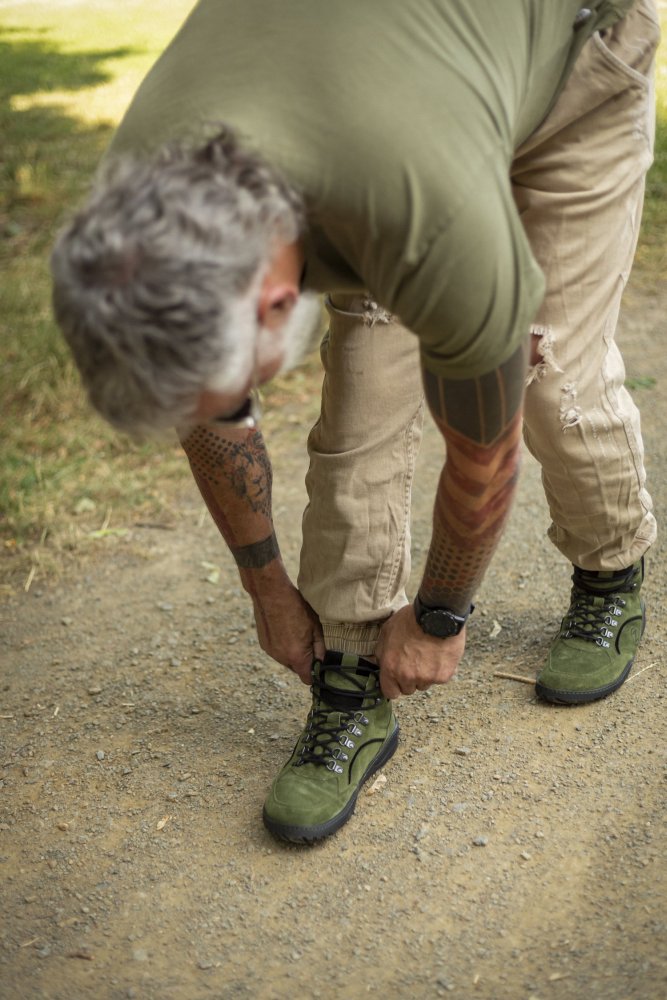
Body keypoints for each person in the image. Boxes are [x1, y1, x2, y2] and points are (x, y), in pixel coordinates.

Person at [50, 0, 659, 843]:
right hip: (399, 106)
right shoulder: (140, 208)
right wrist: (268, 590)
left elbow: (484, 456)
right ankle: (349, 668)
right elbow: (202, 396)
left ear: (271, 298)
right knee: (362, 403)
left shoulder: (423, 215)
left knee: (551, 379)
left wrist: (442, 616)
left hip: (572, 67)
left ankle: (610, 569)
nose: (237, 401)